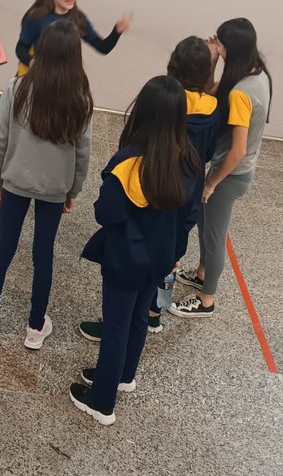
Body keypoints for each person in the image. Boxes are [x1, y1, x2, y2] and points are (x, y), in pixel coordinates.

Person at [70, 76, 201, 426]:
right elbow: (189, 216)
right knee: (140, 317)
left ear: (143, 111)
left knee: (116, 326)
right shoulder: (190, 159)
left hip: (126, 258)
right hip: (162, 257)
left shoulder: (129, 161)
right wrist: (176, 252)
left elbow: (106, 213)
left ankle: (102, 402)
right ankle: (124, 376)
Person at [77, 36, 220, 342]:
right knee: (155, 281)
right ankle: (154, 313)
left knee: (120, 318)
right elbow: (209, 152)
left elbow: (108, 212)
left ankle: (115, 336)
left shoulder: (163, 106)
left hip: (146, 203)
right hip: (183, 195)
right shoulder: (210, 113)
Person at [0, 19, 93, 350]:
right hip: (55, 188)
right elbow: (83, 152)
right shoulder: (80, 98)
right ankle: (35, 328)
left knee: (4, 248)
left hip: (15, 181)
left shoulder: (17, 88)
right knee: (43, 254)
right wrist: (73, 190)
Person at [170, 18, 272, 318]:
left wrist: (212, 182)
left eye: (221, 44)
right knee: (205, 225)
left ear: (232, 49)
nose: (216, 46)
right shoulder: (257, 73)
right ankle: (202, 273)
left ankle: (206, 299)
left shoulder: (240, 93)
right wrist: (214, 60)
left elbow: (238, 150)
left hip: (231, 175)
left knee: (214, 237)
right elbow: (214, 91)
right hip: (232, 171)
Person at [15, 0, 131, 75]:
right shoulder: (37, 18)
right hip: (39, 78)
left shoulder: (79, 19)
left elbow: (103, 48)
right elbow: (21, 48)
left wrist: (116, 32)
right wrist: (32, 63)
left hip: (66, 80)